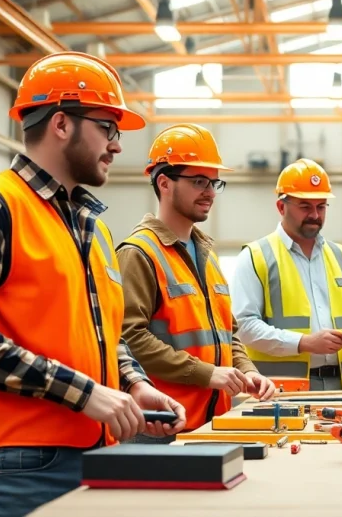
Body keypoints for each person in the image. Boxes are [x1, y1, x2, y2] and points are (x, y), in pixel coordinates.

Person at [0, 51, 187, 517]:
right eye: (108, 128)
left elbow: (98, 332)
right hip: (21, 460)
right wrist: (81, 392)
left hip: (95, 449)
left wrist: (135, 385)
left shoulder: (90, 227)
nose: (117, 145)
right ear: (61, 124)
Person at [117, 124, 277, 436]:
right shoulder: (138, 253)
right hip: (160, 425)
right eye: (199, 181)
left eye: (214, 182)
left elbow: (227, 333)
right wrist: (205, 374)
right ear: (164, 183)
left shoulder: (206, 254)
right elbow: (128, 338)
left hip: (211, 424)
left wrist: (247, 372)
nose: (209, 192)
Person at [232, 158, 342, 390]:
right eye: (305, 206)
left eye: (321, 207)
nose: (315, 215)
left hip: (339, 387)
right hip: (279, 391)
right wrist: (304, 343)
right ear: (281, 207)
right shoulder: (256, 256)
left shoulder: (341, 256)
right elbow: (244, 327)